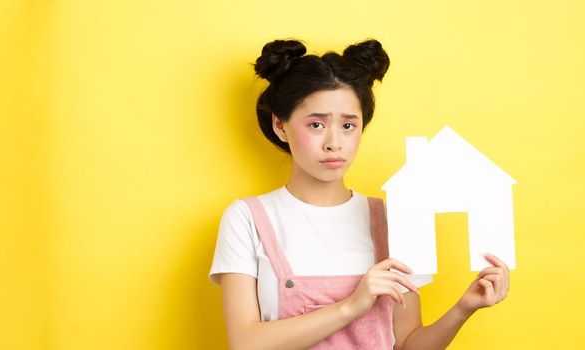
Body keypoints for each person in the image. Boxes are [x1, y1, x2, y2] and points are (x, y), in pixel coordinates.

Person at [208, 38, 511, 350]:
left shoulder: (393, 218)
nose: (334, 142)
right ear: (280, 125)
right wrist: (351, 306)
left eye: (349, 126)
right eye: (316, 124)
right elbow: (246, 343)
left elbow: (407, 345)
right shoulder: (247, 218)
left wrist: (464, 308)